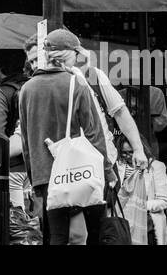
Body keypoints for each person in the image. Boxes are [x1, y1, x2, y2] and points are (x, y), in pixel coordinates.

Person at [18, 29, 107, 245]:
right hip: (81, 170)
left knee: (56, 235)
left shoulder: (26, 90)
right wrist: (108, 172)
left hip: (46, 175)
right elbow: (94, 132)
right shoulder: (75, 84)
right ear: (69, 54)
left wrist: (35, 178)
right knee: (96, 233)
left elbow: (26, 141)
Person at [74, 46, 150, 244]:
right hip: (68, 164)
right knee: (72, 230)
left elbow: (120, 112)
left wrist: (139, 148)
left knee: (101, 226)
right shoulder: (50, 80)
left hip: (102, 161)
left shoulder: (93, 77)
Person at [0, 48, 40, 245]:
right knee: (37, 226)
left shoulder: (1, 93)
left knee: (17, 229)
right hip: (38, 167)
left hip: (13, 169)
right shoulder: (34, 86)